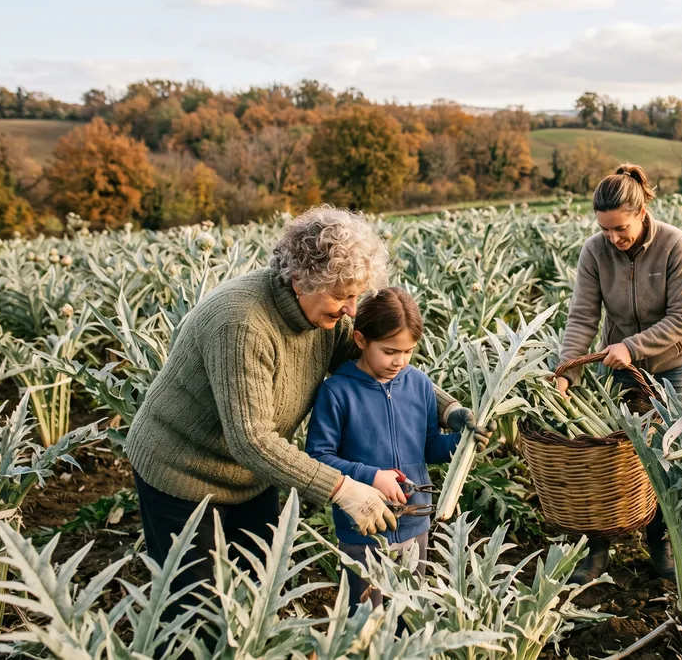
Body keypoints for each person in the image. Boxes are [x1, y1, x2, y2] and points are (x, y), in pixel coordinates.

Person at [125, 205, 486, 617]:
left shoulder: (323, 317)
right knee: (195, 609)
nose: (351, 309)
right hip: (183, 473)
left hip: (251, 477)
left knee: (254, 593)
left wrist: (449, 410)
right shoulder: (242, 324)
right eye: (341, 296)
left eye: (355, 296)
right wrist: (345, 489)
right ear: (300, 280)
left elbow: (371, 362)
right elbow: (252, 440)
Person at [554, 163, 682, 585]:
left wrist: (631, 347)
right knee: (604, 459)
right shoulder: (594, 252)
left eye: (621, 228)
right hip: (616, 372)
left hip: (670, 370)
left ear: (641, 212)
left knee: (664, 457)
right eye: (605, 230)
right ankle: (597, 548)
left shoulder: (674, 245)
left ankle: (661, 541)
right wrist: (567, 372)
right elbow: (582, 317)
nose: (613, 239)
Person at [305, 287, 487, 608]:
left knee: (409, 612)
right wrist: (372, 476)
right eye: (389, 351)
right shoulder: (336, 392)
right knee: (365, 619)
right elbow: (319, 458)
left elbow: (428, 446)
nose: (399, 361)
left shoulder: (418, 384)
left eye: (408, 352)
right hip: (363, 531)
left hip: (416, 524)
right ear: (361, 340)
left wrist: (462, 444)